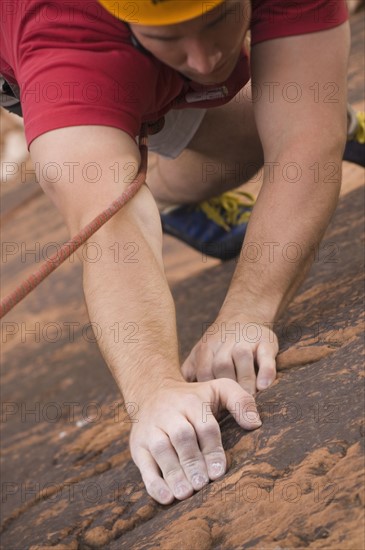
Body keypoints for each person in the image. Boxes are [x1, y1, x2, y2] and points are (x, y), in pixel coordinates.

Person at [0, 0, 363, 504]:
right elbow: (106, 224)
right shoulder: (62, 38)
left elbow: (303, 141)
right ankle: (153, 187)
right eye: (170, 36)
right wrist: (154, 389)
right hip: (91, 60)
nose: (203, 58)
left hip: (133, 56)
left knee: (279, 128)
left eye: (217, 21)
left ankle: (169, 195)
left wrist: (248, 310)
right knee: (121, 188)